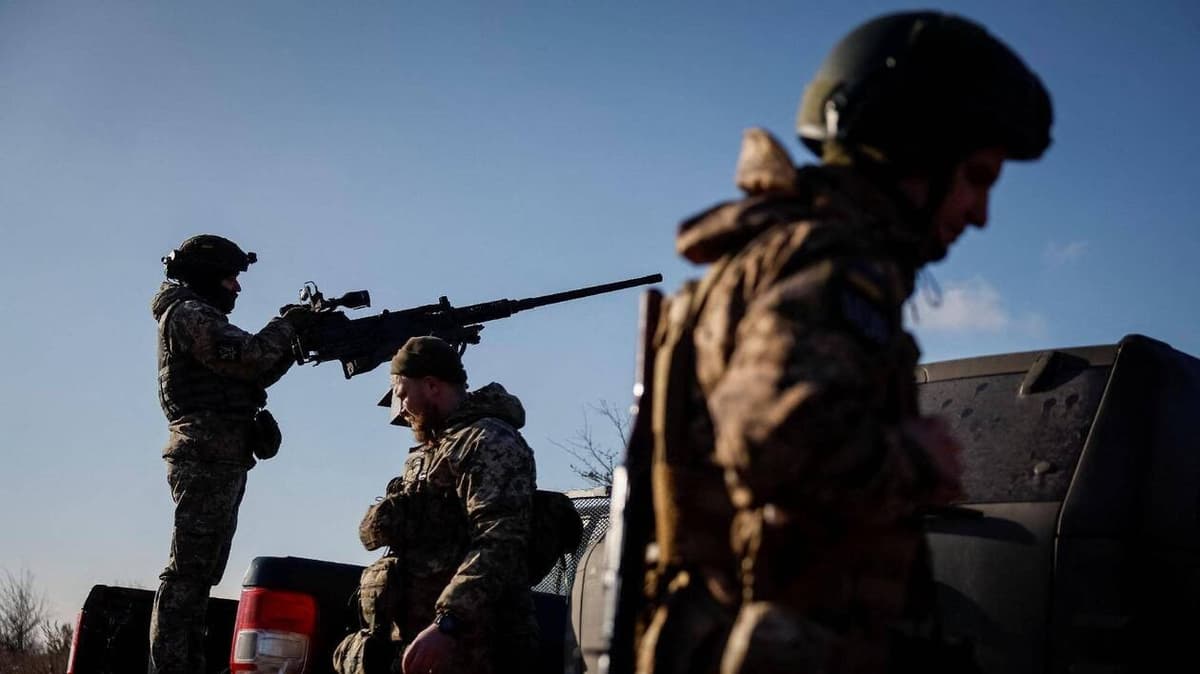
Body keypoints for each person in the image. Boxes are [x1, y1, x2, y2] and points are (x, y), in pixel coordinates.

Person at [637, 11, 1052, 674]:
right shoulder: (835, 263)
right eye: (975, 177)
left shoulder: (781, 253)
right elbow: (773, 438)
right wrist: (914, 460)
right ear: (913, 150)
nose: (980, 213)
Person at [148, 234, 313, 674]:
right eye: (229, 278)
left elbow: (253, 371)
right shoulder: (188, 314)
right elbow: (250, 356)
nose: (236, 288)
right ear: (205, 276)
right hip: (204, 454)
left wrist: (297, 339)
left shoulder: (192, 313)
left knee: (201, 571)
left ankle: (187, 662)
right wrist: (289, 325)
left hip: (219, 455)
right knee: (188, 572)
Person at [346, 336, 538, 674]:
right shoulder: (436, 449)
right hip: (425, 644)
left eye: (403, 394)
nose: (401, 407)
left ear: (432, 386)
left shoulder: (488, 441)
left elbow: (499, 540)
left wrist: (449, 622)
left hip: (473, 647)